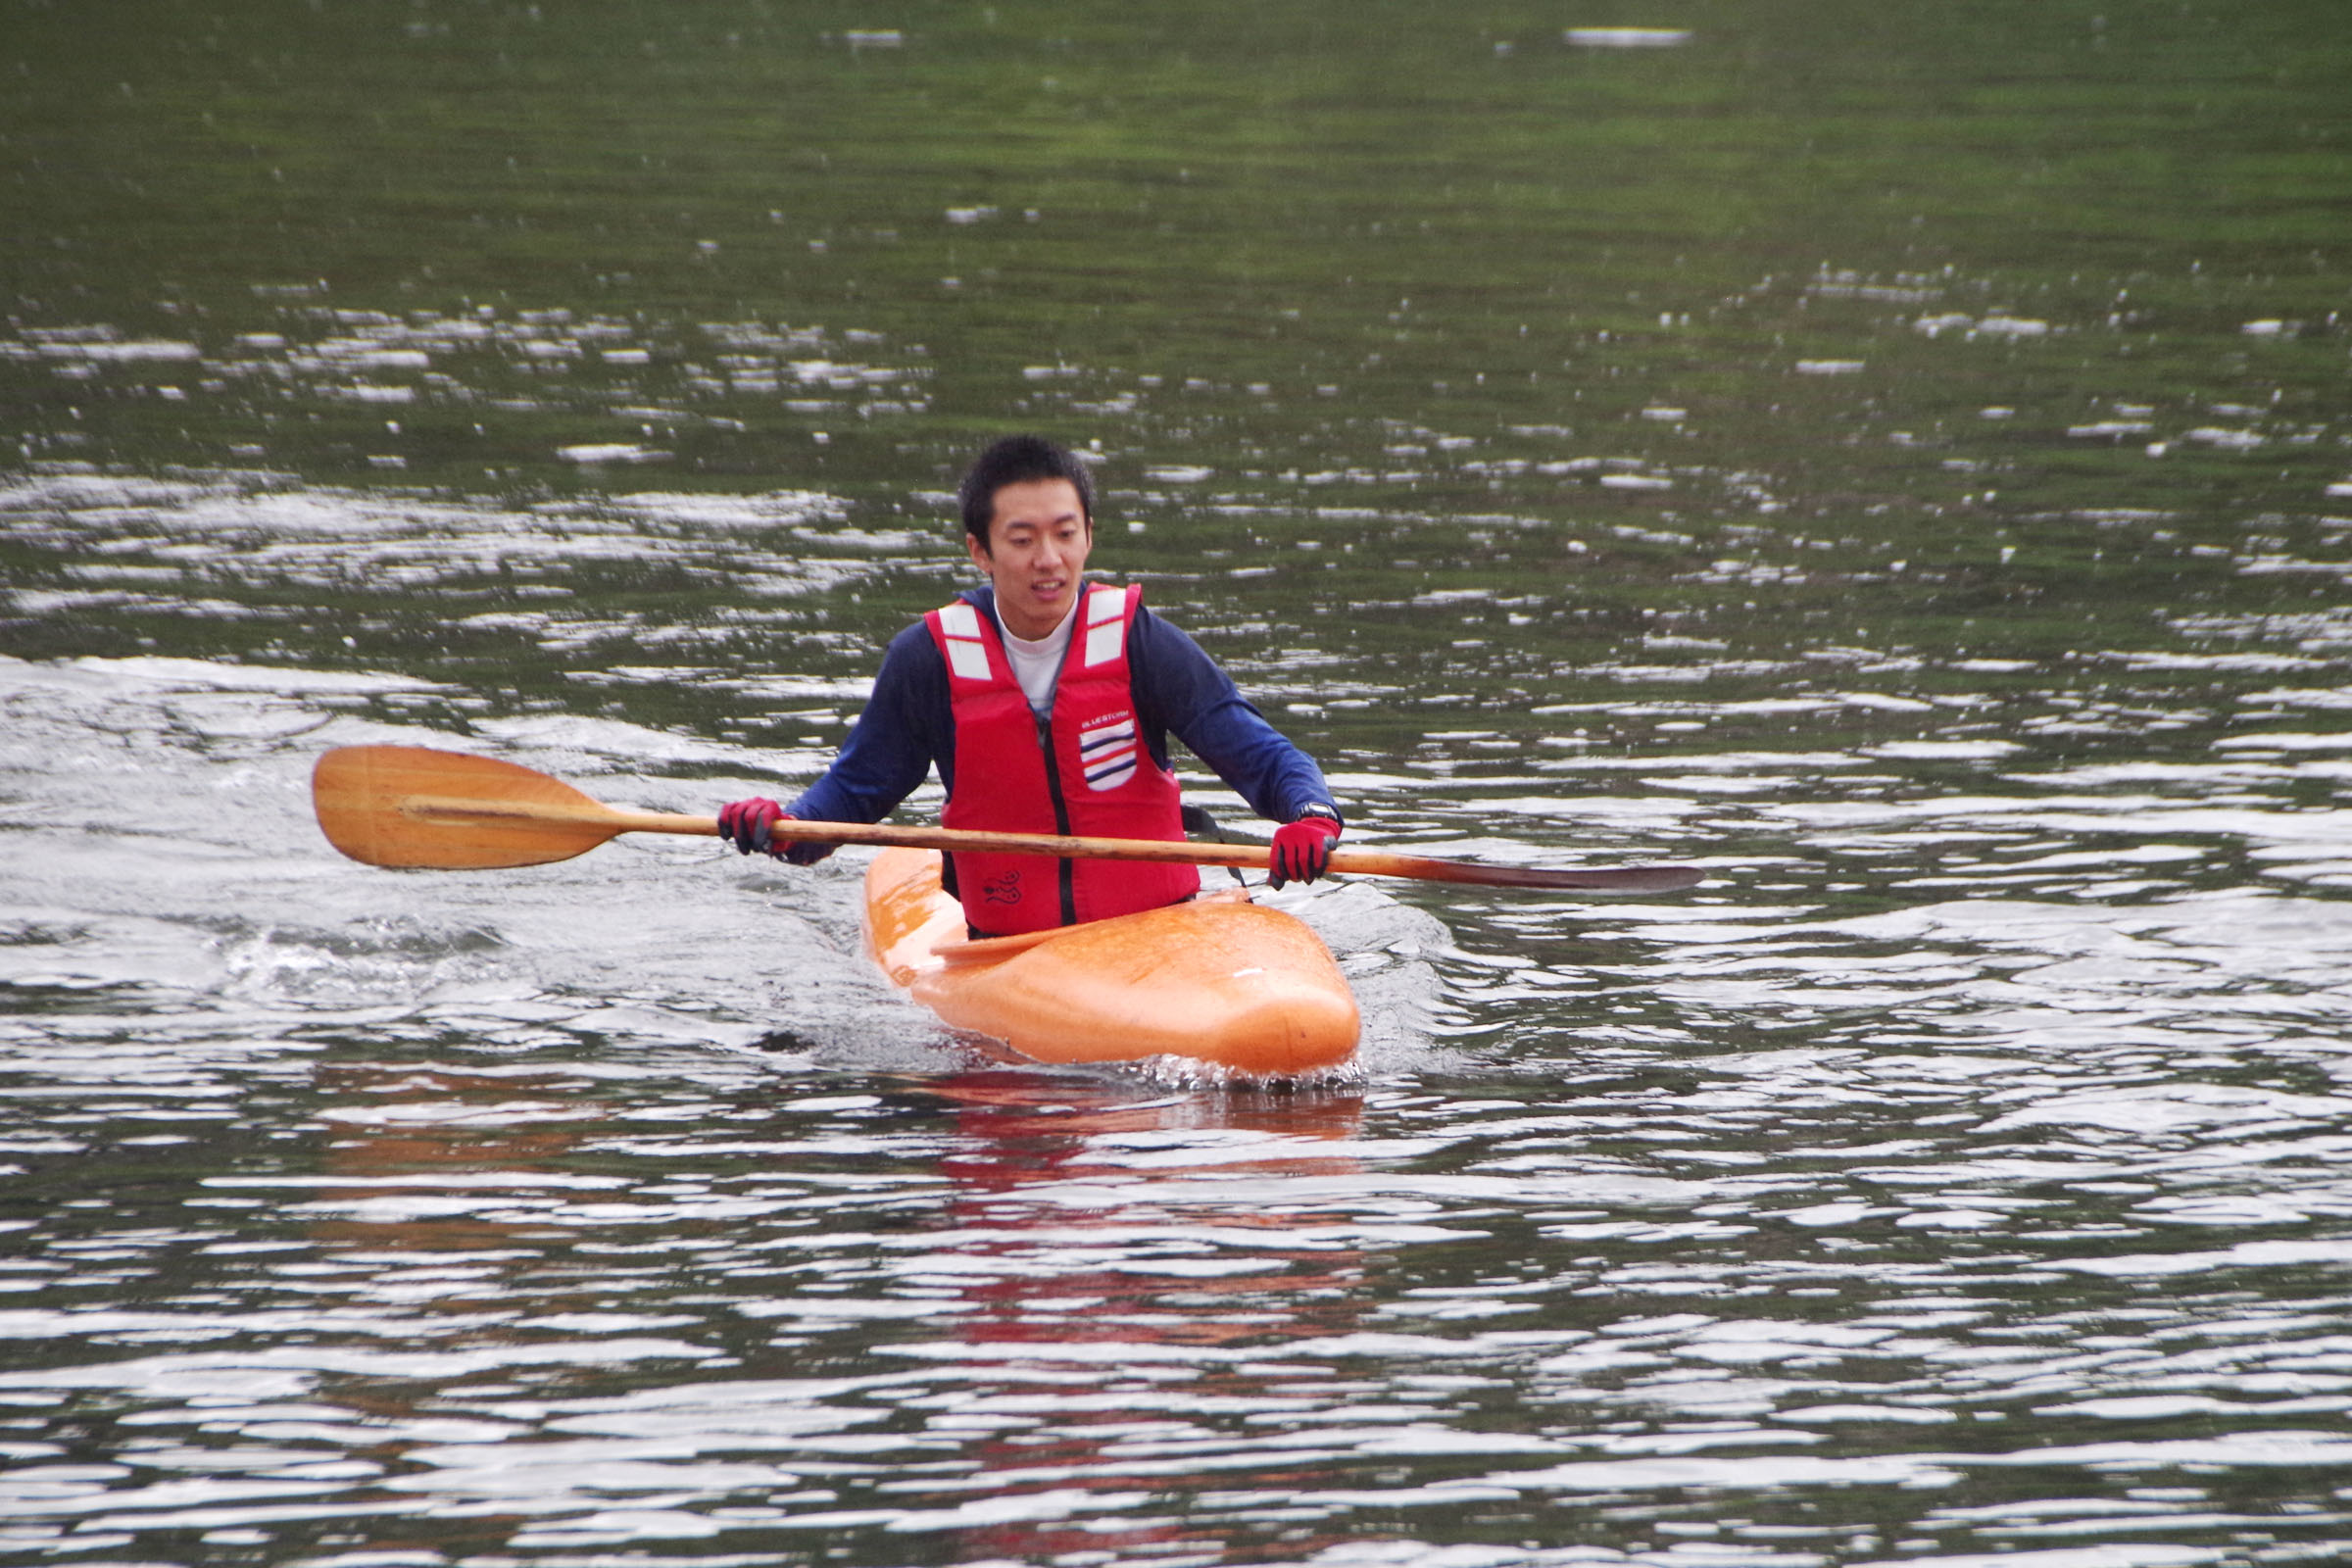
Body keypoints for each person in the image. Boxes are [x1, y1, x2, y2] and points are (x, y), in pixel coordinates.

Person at [717, 434, 1344, 937]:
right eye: (1022, 540)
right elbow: (855, 792)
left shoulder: (1141, 643)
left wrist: (1310, 818)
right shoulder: (927, 660)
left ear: (1088, 535)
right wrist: (785, 827)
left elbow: (1263, 755)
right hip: (1010, 950)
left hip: (1158, 931)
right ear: (980, 551)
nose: (1049, 559)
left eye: (1065, 534)